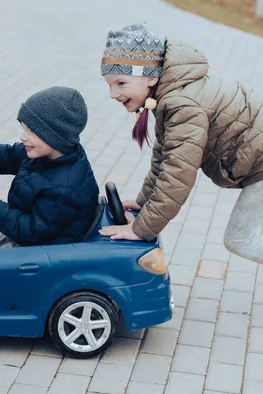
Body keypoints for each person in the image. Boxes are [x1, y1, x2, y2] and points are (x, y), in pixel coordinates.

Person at [98, 24, 263, 263]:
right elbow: (164, 157)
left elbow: (177, 175)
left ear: (151, 77)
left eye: (121, 83)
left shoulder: (182, 104)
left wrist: (141, 229)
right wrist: (143, 201)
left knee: (239, 239)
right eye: (109, 84)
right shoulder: (169, 95)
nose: (113, 93)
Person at [0, 86, 99, 250]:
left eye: (31, 131)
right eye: (23, 128)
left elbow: (34, 231)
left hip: (38, 248)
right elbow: (8, 155)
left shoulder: (63, 190)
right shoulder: (48, 154)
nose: (23, 136)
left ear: (54, 136)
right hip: (21, 230)